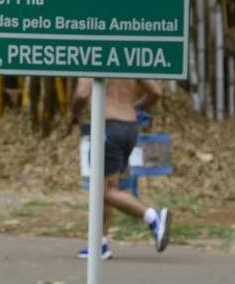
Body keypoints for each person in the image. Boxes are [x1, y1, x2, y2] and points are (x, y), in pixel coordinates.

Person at [70, 77, 172, 259]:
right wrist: (134, 107)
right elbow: (156, 92)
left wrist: (74, 113)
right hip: (130, 127)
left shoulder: (93, 52)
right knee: (107, 187)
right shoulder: (128, 52)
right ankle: (99, 244)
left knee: (104, 191)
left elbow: (82, 93)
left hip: (107, 127)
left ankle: (153, 217)